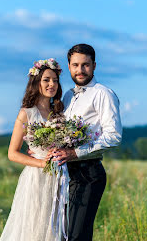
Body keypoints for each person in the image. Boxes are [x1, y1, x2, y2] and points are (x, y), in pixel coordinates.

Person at [48, 44, 122, 241]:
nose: (80, 70)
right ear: (69, 67)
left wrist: (75, 153)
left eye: (85, 65)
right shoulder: (68, 95)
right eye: (75, 65)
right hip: (65, 174)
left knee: (77, 237)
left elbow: (114, 135)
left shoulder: (103, 94)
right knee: (62, 235)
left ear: (94, 66)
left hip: (88, 173)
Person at [0, 58, 64, 241]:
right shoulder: (27, 113)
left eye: (55, 80)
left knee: (54, 227)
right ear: (36, 82)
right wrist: (42, 162)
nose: (52, 84)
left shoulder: (59, 112)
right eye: (46, 80)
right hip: (36, 177)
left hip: (59, 178)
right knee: (34, 226)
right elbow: (12, 153)